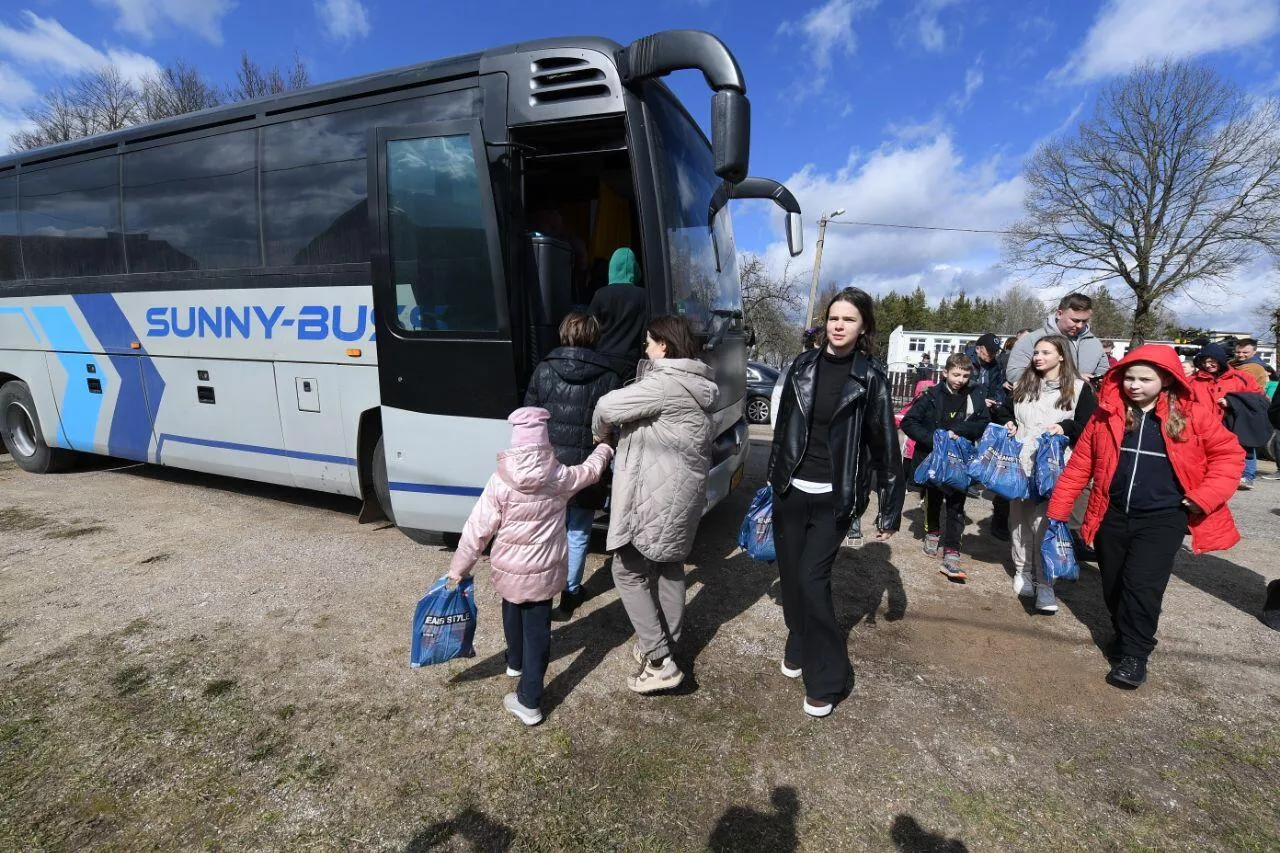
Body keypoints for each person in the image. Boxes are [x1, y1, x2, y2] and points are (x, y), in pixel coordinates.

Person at [1047, 345, 1243, 689]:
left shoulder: (1193, 414)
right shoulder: (1106, 413)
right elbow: (1081, 464)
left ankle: (1136, 654)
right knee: (1115, 583)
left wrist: (1203, 498)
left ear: (1166, 379)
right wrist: (1058, 510)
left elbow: (1229, 456)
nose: (1134, 385)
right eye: (1128, 377)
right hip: (1112, 513)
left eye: (1144, 379)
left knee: (1142, 586)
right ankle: (1125, 634)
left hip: (1163, 518)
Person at [768, 286, 905, 718]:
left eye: (848, 319)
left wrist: (888, 506)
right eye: (833, 317)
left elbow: (886, 447)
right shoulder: (801, 366)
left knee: (811, 579)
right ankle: (798, 639)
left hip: (836, 496)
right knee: (790, 576)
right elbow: (783, 428)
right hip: (791, 490)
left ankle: (827, 678)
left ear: (863, 327)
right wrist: (773, 478)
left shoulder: (871, 377)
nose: (839, 325)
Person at [448, 407, 613, 726]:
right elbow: (591, 471)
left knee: (511, 607)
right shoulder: (560, 476)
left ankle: (521, 678)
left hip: (509, 570)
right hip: (545, 570)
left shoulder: (500, 481)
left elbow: (476, 529)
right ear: (544, 442)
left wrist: (459, 568)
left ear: (515, 443)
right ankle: (526, 690)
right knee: (538, 632)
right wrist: (605, 447)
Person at [592, 315, 717, 695]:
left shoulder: (664, 384)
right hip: (683, 495)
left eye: (648, 342)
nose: (645, 348)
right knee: (669, 566)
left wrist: (602, 438)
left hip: (655, 495)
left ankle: (661, 659)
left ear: (664, 345)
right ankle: (664, 644)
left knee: (626, 570)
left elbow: (607, 406)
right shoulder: (701, 383)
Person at [523, 312, 622, 619]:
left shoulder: (544, 369)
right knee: (578, 530)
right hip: (586, 469)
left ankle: (541, 590)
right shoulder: (610, 375)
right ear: (594, 336)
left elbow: (529, 417)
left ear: (564, 333)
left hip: (548, 466)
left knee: (546, 529)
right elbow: (612, 425)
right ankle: (571, 592)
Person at [993, 335, 1096, 613]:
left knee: (1046, 523)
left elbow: (1088, 425)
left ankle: (1046, 584)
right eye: (1036, 352)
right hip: (1021, 462)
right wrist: (1009, 423)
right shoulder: (1023, 384)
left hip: (1054, 466)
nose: (1038, 357)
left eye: (1045, 352)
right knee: (1019, 519)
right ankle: (1023, 571)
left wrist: (1065, 428)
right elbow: (1005, 412)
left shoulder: (1078, 388)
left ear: (1061, 355)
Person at [900, 352, 990, 581]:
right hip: (932, 459)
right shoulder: (930, 395)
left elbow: (982, 423)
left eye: (965, 375)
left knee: (956, 505)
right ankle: (932, 532)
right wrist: (936, 439)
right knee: (933, 499)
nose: (960, 380)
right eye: (956, 374)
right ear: (945, 373)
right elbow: (909, 422)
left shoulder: (975, 394)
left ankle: (952, 549)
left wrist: (958, 434)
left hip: (960, 460)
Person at [1188, 343, 1263, 490]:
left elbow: (1258, 399)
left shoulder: (1242, 378)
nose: (1207, 365)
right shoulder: (1192, 380)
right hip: (1204, 425)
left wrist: (1232, 401)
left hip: (1235, 422)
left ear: (1220, 360)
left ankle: (1247, 476)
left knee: (1243, 448)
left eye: (1211, 361)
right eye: (1203, 362)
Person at [1006, 293, 1111, 383]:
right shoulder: (1032, 340)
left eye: (1084, 321)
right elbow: (1013, 375)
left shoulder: (1094, 343)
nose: (1080, 325)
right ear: (1059, 314)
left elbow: (1104, 370)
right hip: (1044, 404)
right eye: (1075, 320)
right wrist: (1069, 378)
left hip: (1084, 404)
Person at [587, 247, 648, 380]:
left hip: (601, 360)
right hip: (630, 362)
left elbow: (589, 328)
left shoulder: (600, 294)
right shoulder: (643, 296)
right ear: (634, 268)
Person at [973, 333, 1010, 539]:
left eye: (995, 352)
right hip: (968, 409)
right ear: (979, 348)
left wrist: (995, 399)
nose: (991, 355)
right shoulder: (967, 362)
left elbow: (998, 388)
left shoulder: (995, 366)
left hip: (989, 411)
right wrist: (979, 399)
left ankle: (980, 475)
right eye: (989, 351)